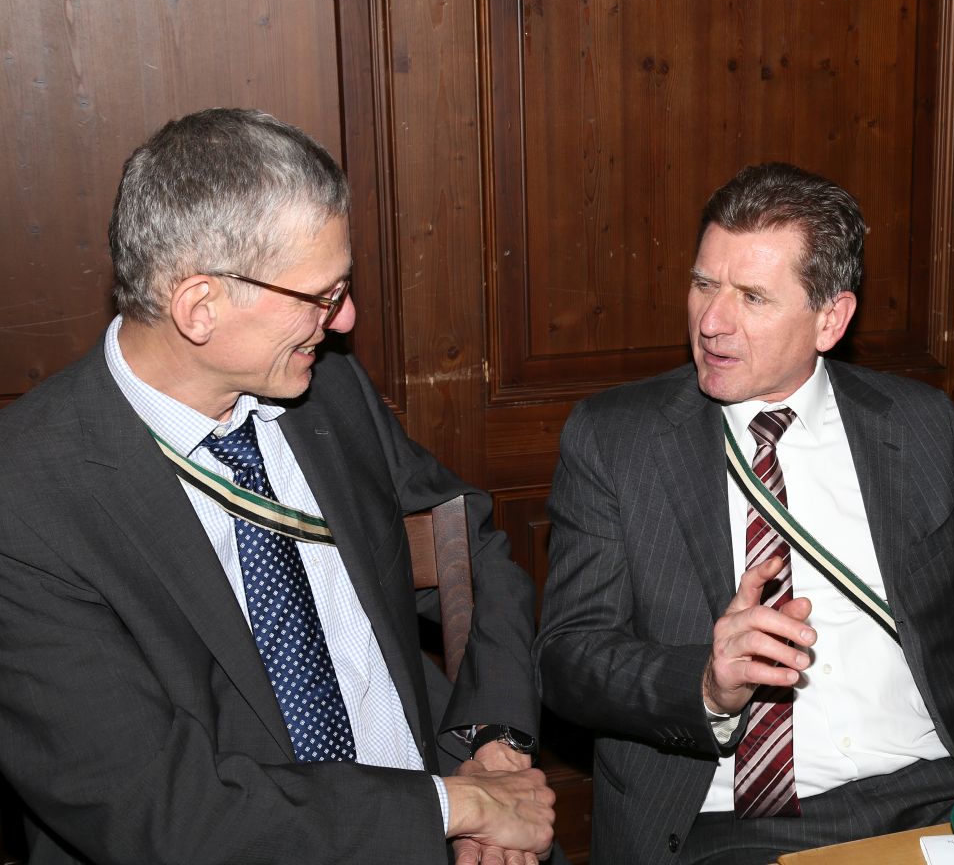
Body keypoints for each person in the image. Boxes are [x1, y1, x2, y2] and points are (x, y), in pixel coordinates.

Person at [0, 109, 555, 864]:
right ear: (200, 307)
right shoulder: (26, 499)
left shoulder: (326, 390)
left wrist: (492, 750)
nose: (346, 319)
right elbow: (158, 812)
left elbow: (473, 549)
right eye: (321, 295)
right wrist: (451, 808)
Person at [535, 163, 954, 863]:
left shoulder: (920, 426)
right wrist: (705, 683)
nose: (712, 323)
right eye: (703, 285)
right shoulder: (616, 440)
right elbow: (568, 658)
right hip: (729, 828)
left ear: (830, 319)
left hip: (932, 791)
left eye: (752, 297)